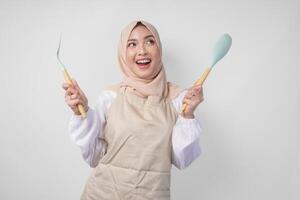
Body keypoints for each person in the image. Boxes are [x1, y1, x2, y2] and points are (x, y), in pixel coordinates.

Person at [63, 20, 204, 200]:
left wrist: (187, 115)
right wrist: (80, 112)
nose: (142, 51)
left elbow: (181, 159)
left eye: (149, 41)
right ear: (123, 53)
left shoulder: (178, 99)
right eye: (132, 44)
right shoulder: (110, 97)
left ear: (159, 48)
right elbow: (94, 157)